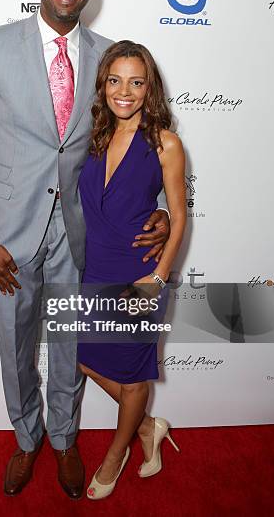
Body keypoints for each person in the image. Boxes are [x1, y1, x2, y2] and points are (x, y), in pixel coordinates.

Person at [0, 0, 171, 499]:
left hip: (84, 237)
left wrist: (168, 211)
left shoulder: (110, 58)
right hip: (10, 237)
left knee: (71, 344)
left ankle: (64, 439)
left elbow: (145, 138)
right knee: (15, 346)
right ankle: (27, 441)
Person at [78, 40, 186, 500]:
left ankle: (115, 454)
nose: (125, 91)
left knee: (133, 375)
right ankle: (147, 427)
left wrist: (156, 280)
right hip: (95, 267)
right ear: (103, 84)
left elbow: (178, 216)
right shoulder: (93, 136)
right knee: (81, 357)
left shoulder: (165, 143)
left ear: (150, 87)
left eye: (136, 82)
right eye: (115, 80)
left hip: (140, 273)